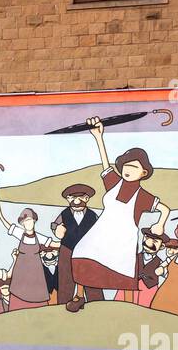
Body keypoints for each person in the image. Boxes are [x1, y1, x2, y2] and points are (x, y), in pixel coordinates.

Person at [68, 118, 169, 312]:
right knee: (81, 253)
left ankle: (128, 306)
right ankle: (79, 296)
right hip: (102, 232)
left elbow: (164, 208)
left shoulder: (143, 196)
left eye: (134, 167)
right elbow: (105, 164)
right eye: (126, 166)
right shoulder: (114, 183)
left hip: (122, 236)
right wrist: (99, 137)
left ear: (144, 172)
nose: (128, 170)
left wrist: (161, 225)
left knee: (122, 269)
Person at [0, 204, 57, 310]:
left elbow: (54, 244)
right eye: (25, 221)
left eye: (30, 220)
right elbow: (7, 225)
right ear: (22, 223)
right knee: (19, 295)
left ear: (34, 221)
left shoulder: (39, 237)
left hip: (36, 273)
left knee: (37, 297)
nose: (28, 223)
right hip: (21, 272)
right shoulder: (20, 233)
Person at [50, 183, 97, 306]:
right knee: (65, 278)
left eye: (81, 197)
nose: (77, 201)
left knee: (92, 278)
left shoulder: (92, 215)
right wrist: (56, 229)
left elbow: (100, 230)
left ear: (87, 198)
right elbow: (54, 225)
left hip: (88, 252)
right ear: (68, 199)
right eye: (72, 198)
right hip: (67, 250)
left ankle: (97, 304)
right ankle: (63, 304)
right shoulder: (64, 214)